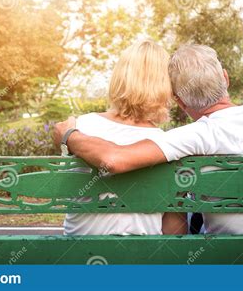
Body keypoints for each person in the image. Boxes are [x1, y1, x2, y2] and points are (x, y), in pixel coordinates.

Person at [54, 43, 243, 235]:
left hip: (227, 263)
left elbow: (113, 159)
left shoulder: (194, 136)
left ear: (180, 100)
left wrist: (69, 134)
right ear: (226, 79)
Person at [63, 39, 185, 236]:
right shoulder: (164, 143)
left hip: (78, 254)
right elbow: (173, 228)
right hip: (141, 260)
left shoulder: (79, 126)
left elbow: (66, 186)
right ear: (164, 85)